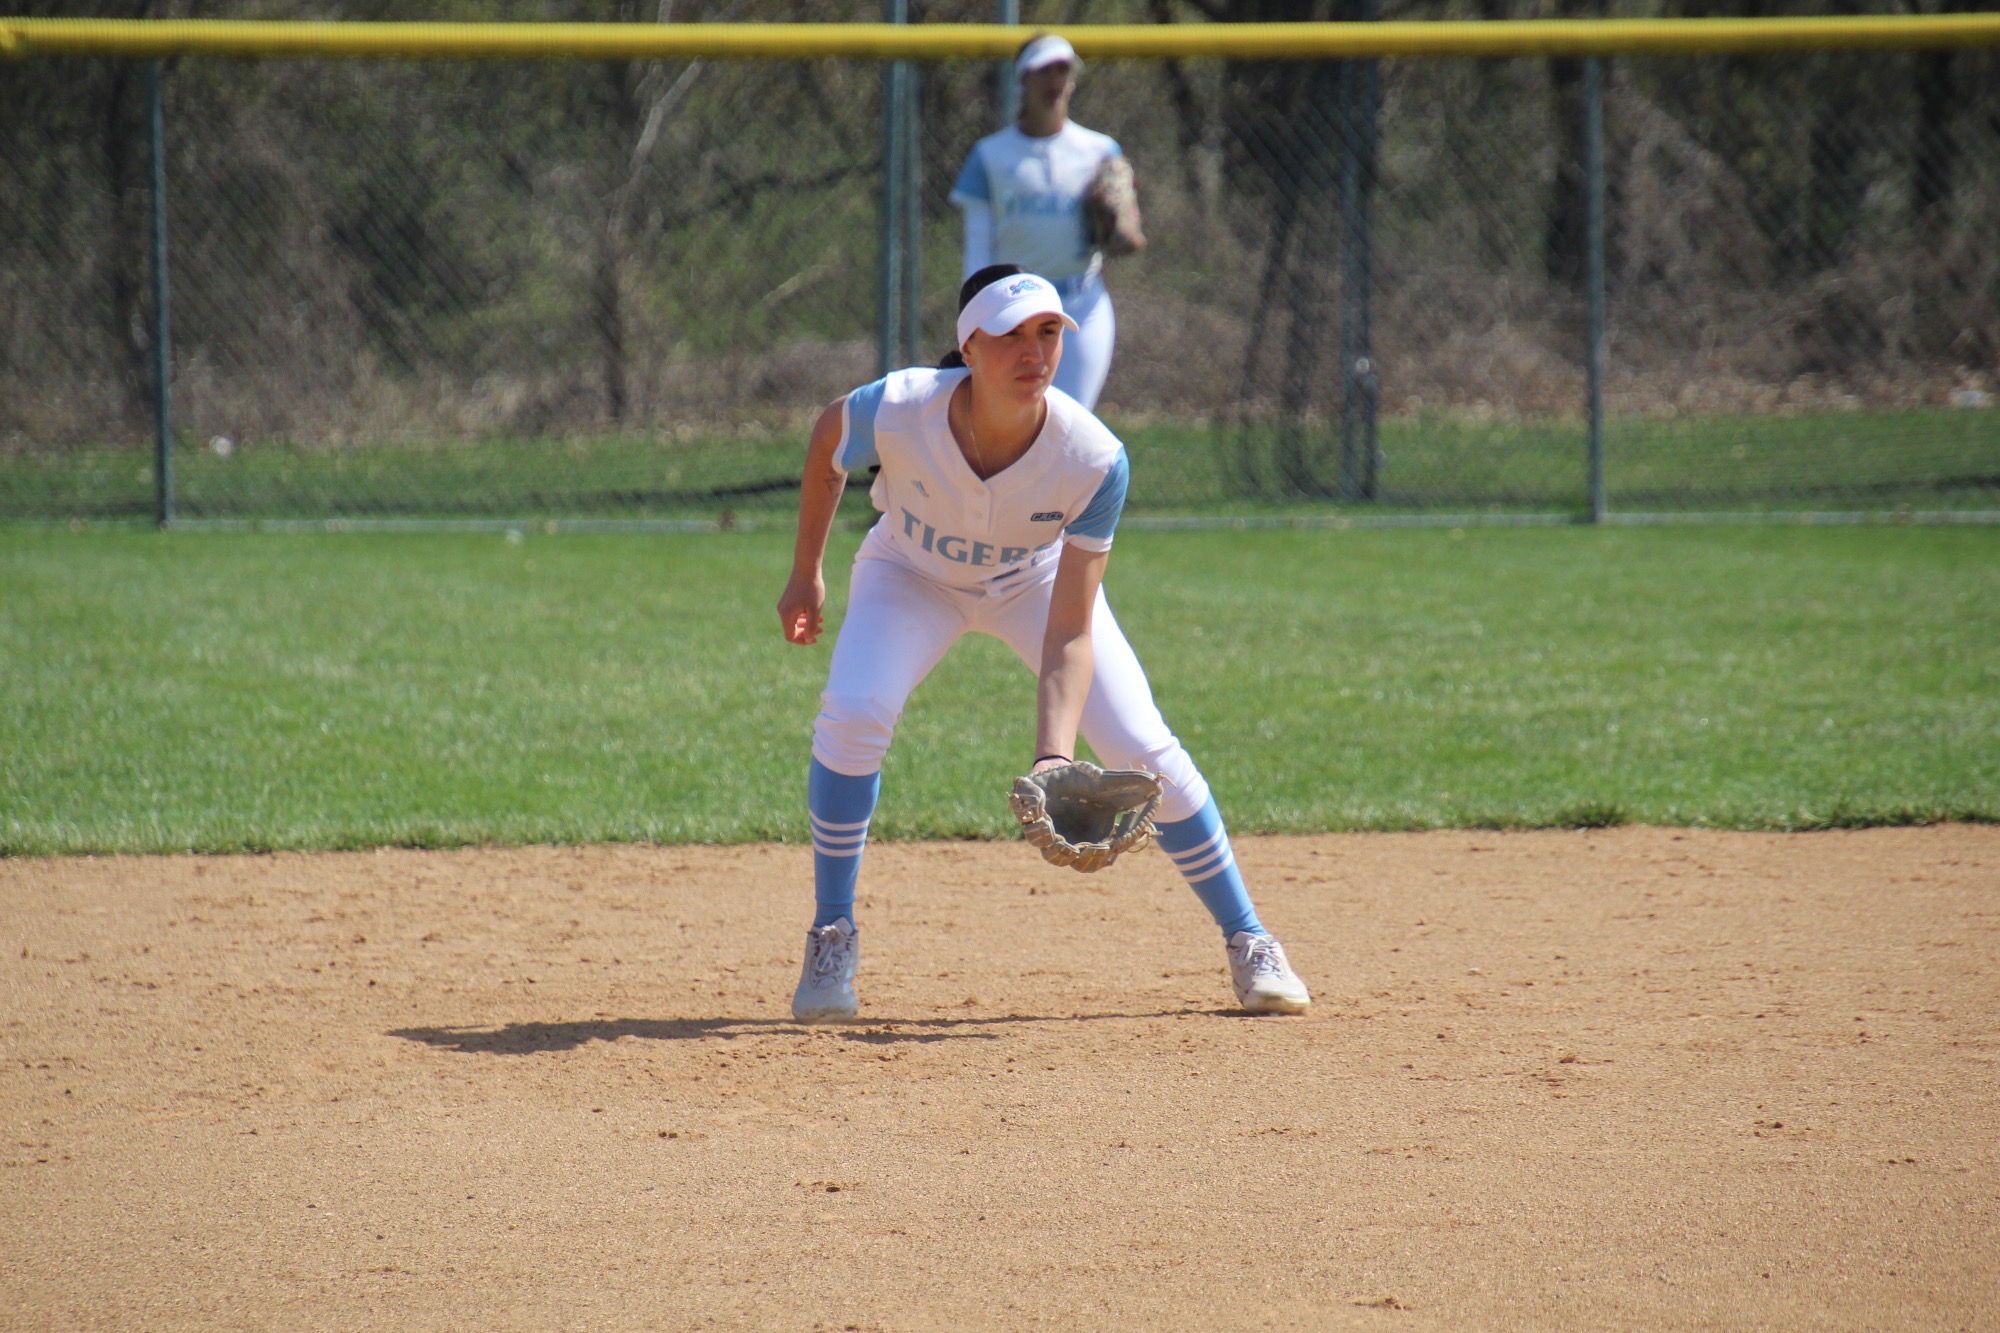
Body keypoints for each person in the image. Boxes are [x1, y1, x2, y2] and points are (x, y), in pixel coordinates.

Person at [776, 264, 1310, 1023]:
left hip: (1033, 581)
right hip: (909, 572)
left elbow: (1069, 629)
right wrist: (806, 575)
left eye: (1050, 332)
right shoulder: (899, 408)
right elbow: (830, 439)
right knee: (854, 711)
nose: (1034, 351)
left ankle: (1251, 939)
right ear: (968, 347)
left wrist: (1052, 754)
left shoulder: (1092, 458)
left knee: (1142, 743)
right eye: (1012, 335)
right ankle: (832, 933)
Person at [949, 34, 1137, 412]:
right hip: (1017, 308)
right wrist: (977, 316)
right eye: (1043, 70)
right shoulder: (991, 155)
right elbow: (978, 247)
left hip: (1082, 303)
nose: (1053, 80)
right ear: (1023, 79)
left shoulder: (1099, 150)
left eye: (1062, 70)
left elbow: (1128, 231)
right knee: (1020, 419)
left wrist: (1123, 227)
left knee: (1072, 421)